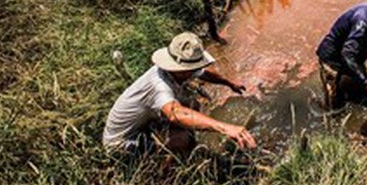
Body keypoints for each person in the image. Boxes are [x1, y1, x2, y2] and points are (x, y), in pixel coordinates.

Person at [103, 32, 256, 155]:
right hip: (121, 143)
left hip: (142, 123)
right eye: (192, 69)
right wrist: (224, 127)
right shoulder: (159, 86)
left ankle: (183, 146)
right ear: (180, 69)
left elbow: (204, 73)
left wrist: (230, 83)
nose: (195, 71)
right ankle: (169, 173)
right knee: (182, 139)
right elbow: (175, 113)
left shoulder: (178, 70)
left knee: (192, 105)